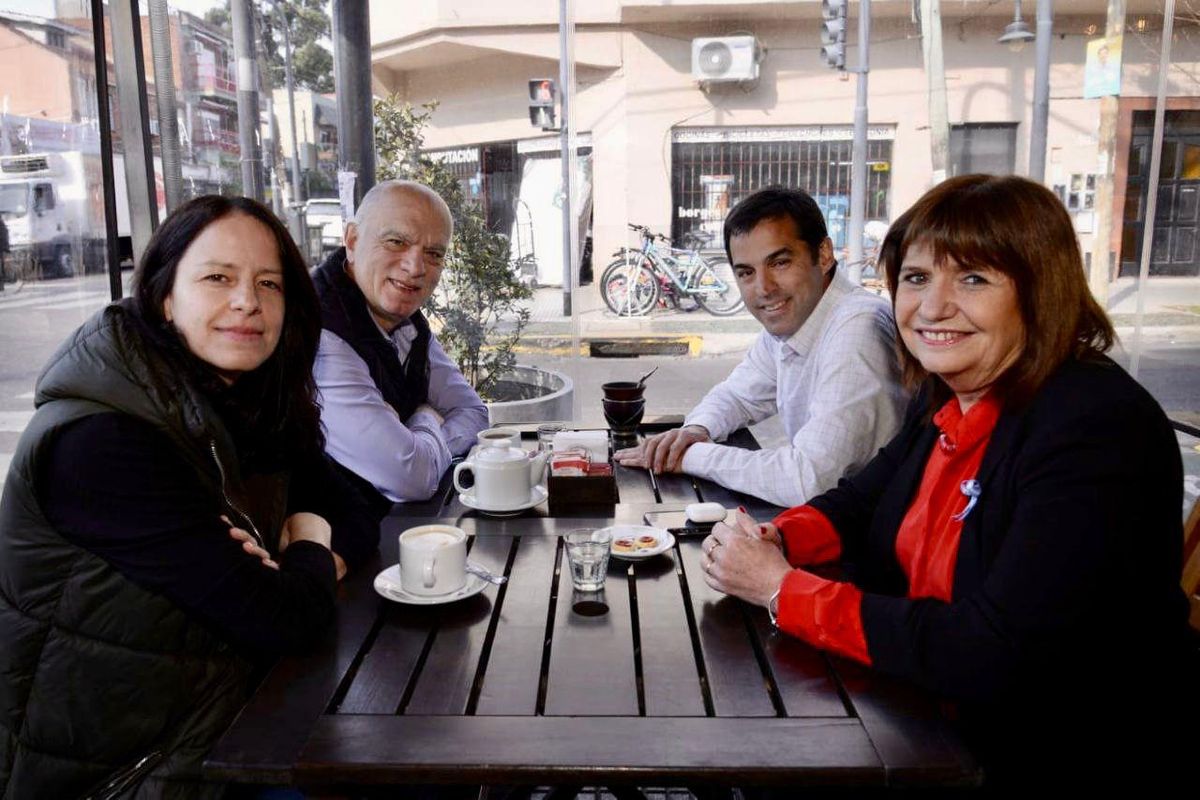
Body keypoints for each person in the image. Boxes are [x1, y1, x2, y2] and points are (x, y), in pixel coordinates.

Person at [699, 175, 1195, 785]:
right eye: (916, 278)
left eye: (973, 278)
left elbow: (994, 651)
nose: (932, 308)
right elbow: (861, 499)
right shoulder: (952, 393)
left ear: (1040, 290)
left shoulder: (1092, 427)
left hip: (1049, 753)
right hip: (924, 714)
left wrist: (783, 591)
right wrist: (779, 539)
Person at [0, 195, 377, 798]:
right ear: (163, 295)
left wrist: (302, 555)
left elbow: (357, 513)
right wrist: (308, 542)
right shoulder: (101, 443)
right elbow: (284, 620)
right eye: (217, 278)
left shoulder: (245, 402)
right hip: (126, 774)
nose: (247, 302)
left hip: (222, 724)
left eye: (269, 283)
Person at [615, 187, 905, 507]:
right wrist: (697, 429)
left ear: (823, 255)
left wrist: (691, 456)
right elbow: (738, 395)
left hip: (872, 543)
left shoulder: (857, 327)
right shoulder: (797, 315)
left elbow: (807, 479)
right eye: (746, 273)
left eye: (779, 263)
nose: (763, 289)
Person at [312, 179, 489, 513]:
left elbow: (474, 413)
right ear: (352, 241)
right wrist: (427, 417)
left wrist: (417, 441)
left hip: (389, 529)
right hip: (329, 544)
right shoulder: (322, 334)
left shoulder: (404, 322)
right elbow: (412, 477)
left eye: (433, 254)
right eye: (396, 242)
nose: (415, 267)